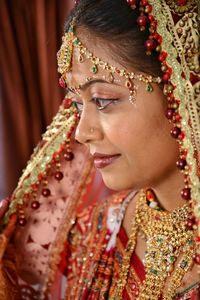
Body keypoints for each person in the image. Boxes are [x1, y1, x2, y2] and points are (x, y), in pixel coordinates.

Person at [0, 0, 199, 299]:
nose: (82, 133)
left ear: (183, 90)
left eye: (104, 100)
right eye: (77, 105)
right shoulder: (92, 232)